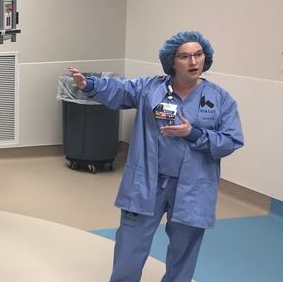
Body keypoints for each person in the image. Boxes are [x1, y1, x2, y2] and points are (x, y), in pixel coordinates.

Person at [68, 31, 243, 282]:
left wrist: (192, 133)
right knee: (130, 245)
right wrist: (90, 84)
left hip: (193, 187)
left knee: (184, 251)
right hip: (147, 182)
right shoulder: (150, 89)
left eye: (198, 55)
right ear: (172, 61)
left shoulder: (220, 99)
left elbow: (231, 140)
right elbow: (119, 90)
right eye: (184, 56)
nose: (193, 62)